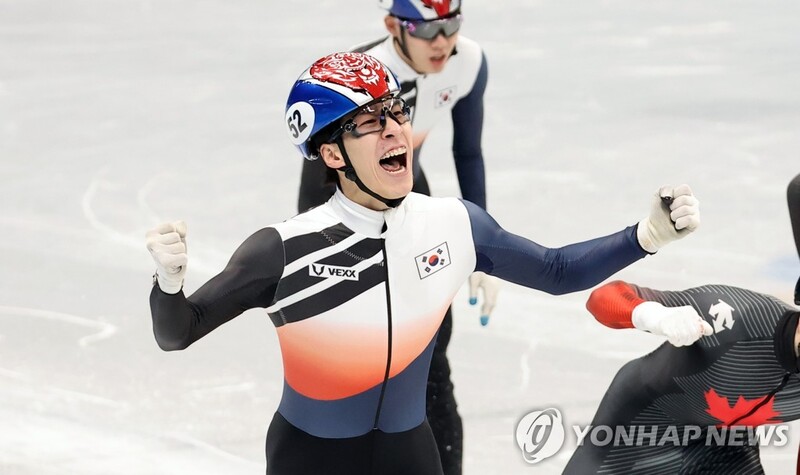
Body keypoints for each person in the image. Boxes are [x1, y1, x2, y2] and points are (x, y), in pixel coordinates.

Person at [147, 51, 700, 475]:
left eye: (394, 111)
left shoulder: (454, 224)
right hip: (309, 458)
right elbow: (178, 333)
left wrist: (645, 235)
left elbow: (557, 272)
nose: (394, 129)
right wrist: (168, 285)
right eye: (368, 121)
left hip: (410, 453)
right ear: (333, 154)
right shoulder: (284, 249)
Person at [296, 3, 492, 471]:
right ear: (392, 27)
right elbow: (316, 187)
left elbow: (468, 150)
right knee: (360, 374)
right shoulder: (351, 80)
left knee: (430, 367)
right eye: (429, 31)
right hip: (351, 207)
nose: (443, 41)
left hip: (408, 199)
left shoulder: (469, 62)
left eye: (452, 26)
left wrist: (482, 244)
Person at [564, 174, 800, 474]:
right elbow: (602, 298)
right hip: (635, 441)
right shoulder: (736, 319)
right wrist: (655, 316)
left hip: (725, 457)